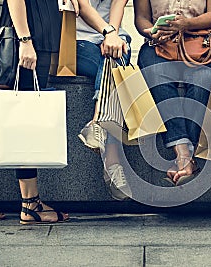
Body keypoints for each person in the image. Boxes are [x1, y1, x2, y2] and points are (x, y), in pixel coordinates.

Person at [0, 0, 73, 223]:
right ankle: (30, 204)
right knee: (23, 117)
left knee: (8, 118)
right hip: (29, 36)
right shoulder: (27, 39)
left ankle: (30, 203)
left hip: (37, 34)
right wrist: (25, 39)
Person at [134, 0, 211, 186]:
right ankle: (183, 153)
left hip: (201, 47)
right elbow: (141, 18)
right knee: (155, 74)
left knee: (204, 80)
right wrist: (152, 32)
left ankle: (186, 156)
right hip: (160, 46)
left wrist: (187, 24)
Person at [75, 0, 132, 200]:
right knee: (114, 68)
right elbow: (83, 6)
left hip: (111, 37)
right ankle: (112, 160)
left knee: (115, 55)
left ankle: (98, 124)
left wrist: (113, 35)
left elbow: (118, 3)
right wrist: (108, 33)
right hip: (75, 38)